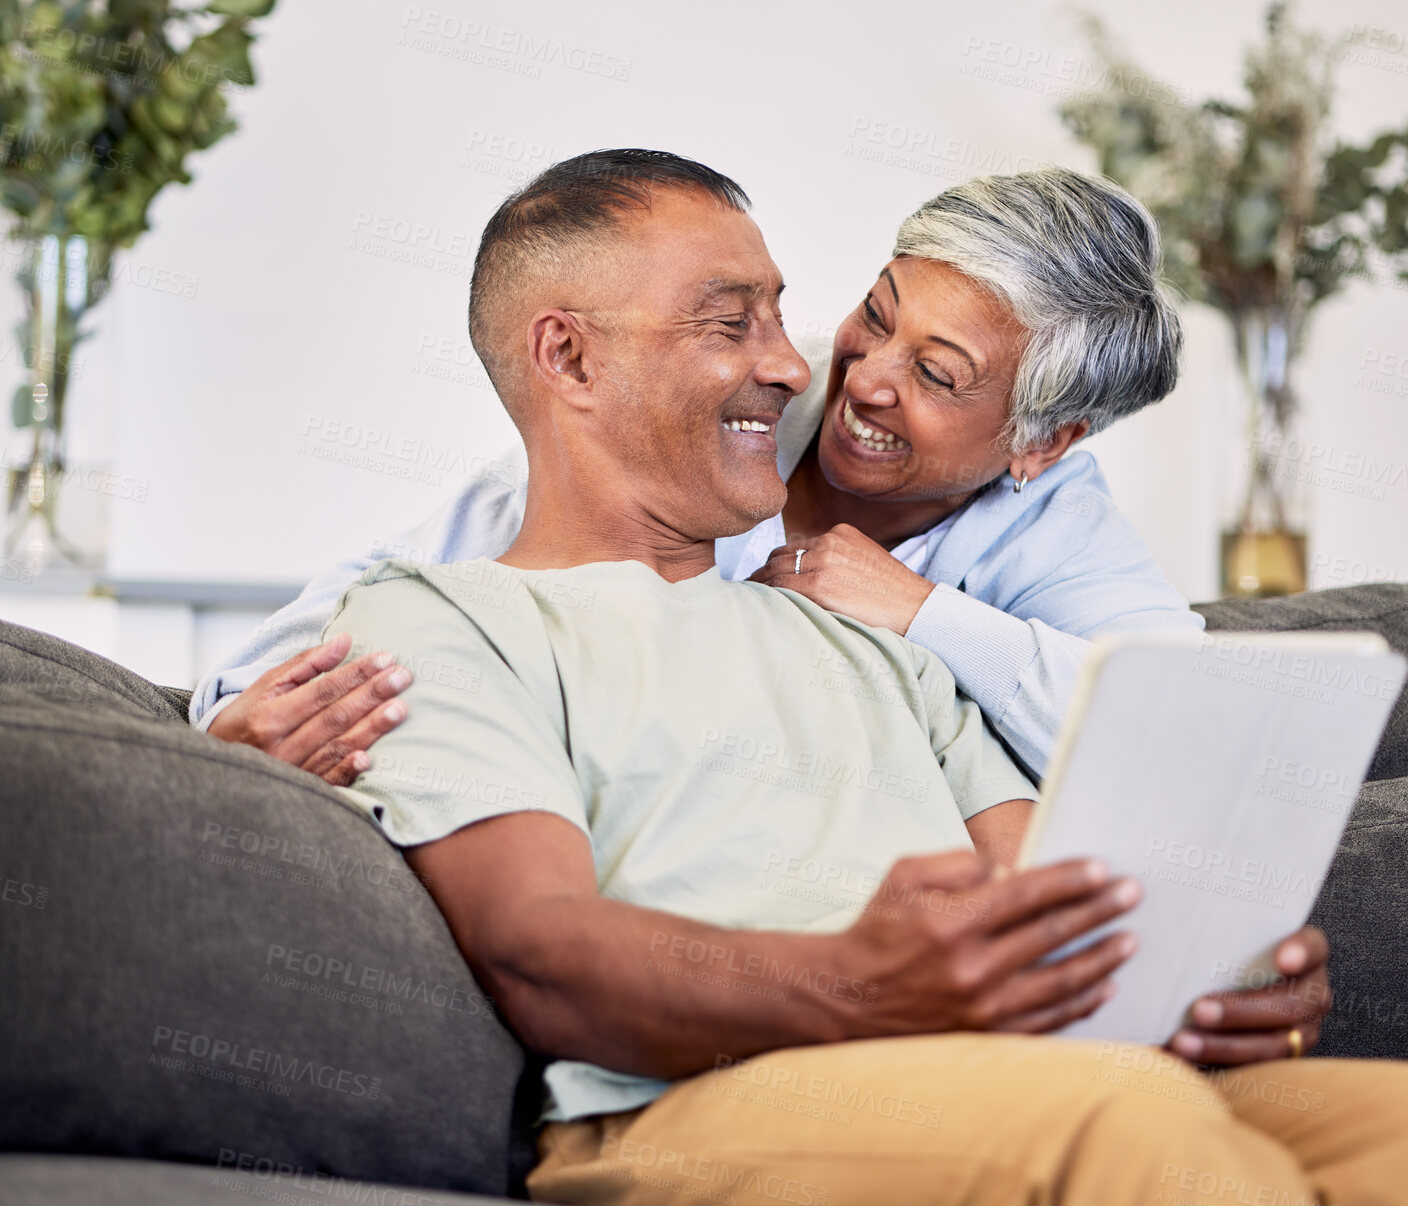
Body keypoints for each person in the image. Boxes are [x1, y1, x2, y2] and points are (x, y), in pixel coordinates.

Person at [311, 148, 1408, 1206]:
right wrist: (862, 986)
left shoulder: (878, 629)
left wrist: (1211, 972)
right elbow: (541, 954)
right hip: (692, 1100)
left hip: (1003, 1074)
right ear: (569, 360)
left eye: (780, 313)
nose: (808, 369)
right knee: (1127, 1126)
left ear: (1038, 441)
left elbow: (1066, 878)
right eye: (729, 322)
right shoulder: (441, 618)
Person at [191, 166, 1205, 783]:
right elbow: (372, 597)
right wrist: (243, 713)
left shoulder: (1051, 518)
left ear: (1044, 441)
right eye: (878, 313)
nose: (860, 377)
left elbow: (1189, 724)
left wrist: (916, 609)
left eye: (937, 375)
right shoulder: (731, 397)